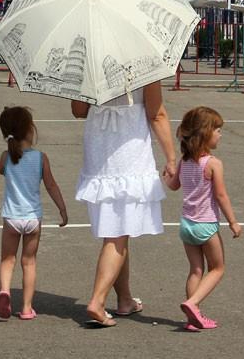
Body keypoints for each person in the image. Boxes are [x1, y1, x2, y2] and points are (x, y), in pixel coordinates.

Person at [71, 81, 177, 327]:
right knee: (118, 234)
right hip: (128, 150)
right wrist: (171, 157)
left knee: (117, 230)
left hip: (99, 149)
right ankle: (97, 301)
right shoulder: (144, 62)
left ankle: (125, 299)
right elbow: (157, 114)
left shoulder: (91, 59)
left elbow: (78, 110)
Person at [164, 106, 242, 331]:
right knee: (217, 268)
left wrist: (167, 175)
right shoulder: (213, 163)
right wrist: (233, 222)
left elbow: (173, 185)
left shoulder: (185, 161)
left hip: (186, 226)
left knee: (195, 270)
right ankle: (193, 303)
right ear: (205, 133)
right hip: (205, 225)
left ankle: (192, 318)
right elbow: (220, 195)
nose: (220, 134)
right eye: (217, 130)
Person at [0, 106, 68, 321]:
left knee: (7, 260)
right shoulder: (41, 158)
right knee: (29, 262)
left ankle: (4, 292)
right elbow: (52, 185)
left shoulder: (6, 156)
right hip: (33, 219)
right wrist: (62, 208)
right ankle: (26, 308)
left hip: (12, 218)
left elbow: (0, 169)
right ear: (29, 130)